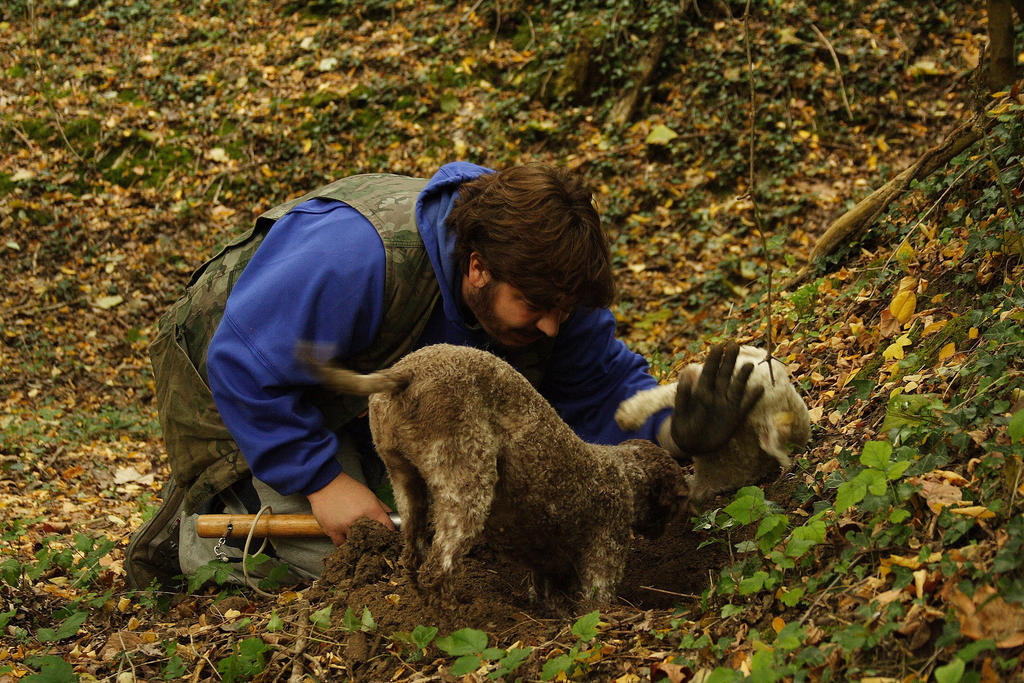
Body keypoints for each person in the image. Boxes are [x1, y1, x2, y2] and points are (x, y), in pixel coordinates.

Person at [125, 162, 758, 590]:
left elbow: (595, 393)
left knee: (463, 534)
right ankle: (207, 526)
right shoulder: (358, 257)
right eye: (535, 310)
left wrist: (674, 428)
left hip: (374, 391)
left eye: (563, 312)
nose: (550, 329)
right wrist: (320, 481)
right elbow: (241, 360)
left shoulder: (552, 290)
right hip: (236, 381)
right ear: (478, 267)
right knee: (366, 561)